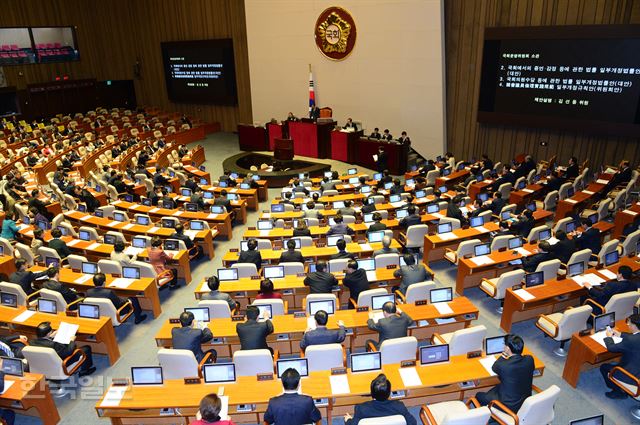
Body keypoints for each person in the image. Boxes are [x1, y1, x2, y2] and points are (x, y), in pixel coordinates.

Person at [476, 334, 534, 413]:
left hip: (508, 406)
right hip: (525, 401)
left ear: (507, 348)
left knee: (479, 395)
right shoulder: (530, 359)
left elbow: (494, 367)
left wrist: (503, 355)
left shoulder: (504, 366)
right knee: (498, 385)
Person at [345, 374, 416, 425]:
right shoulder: (399, 406)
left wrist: (348, 420)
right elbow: (413, 422)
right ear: (389, 393)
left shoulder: (361, 409)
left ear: (372, 393)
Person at [32, 321, 96, 376]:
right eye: (51, 332)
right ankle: (84, 371)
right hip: (61, 364)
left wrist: (50, 337)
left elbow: (45, 342)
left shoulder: (31, 342)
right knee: (86, 349)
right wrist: (72, 341)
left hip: (43, 365)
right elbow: (69, 352)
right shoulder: (53, 345)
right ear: (48, 333)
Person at [600, 314, 640, 399]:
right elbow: (635, 337)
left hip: (633, 377)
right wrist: (620, 334)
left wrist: (609, 337)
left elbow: (611, 348)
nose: (628, 325)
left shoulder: (631, 340)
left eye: (629, 323)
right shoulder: (633, 338)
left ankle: (618, 391)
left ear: (635, 326)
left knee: (604, 367)